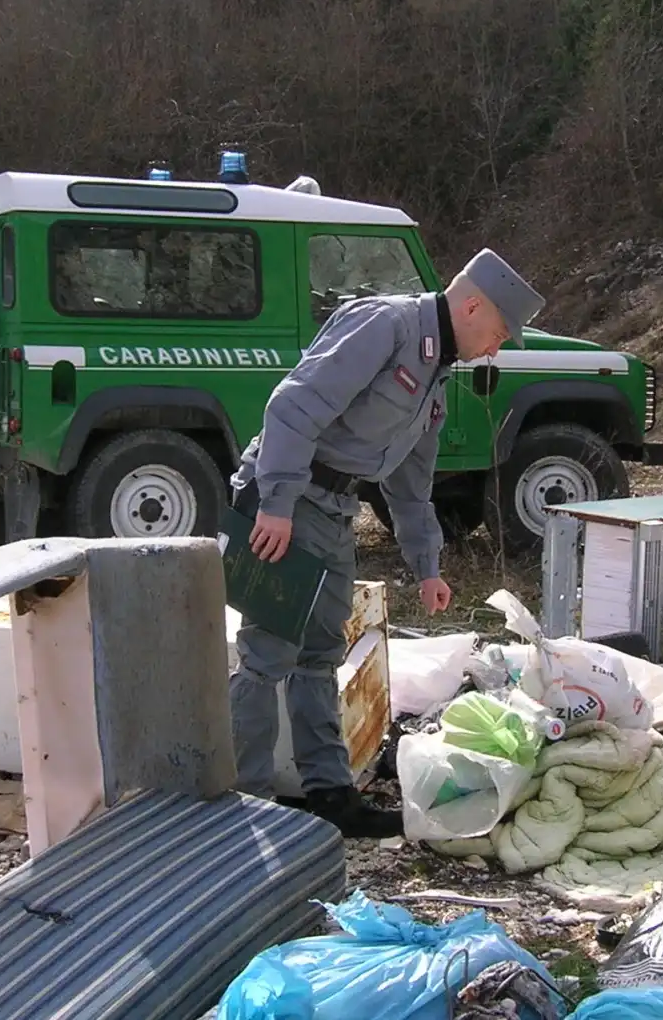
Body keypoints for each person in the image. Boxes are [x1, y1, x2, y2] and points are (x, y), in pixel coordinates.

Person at [226, 248, 547, 838]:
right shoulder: (387, 325)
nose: (496, 349)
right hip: (289, 503)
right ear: (472, 304)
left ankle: (328, 796)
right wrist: (274, 505)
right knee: (267, 655)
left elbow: (409, 484)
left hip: (336, 510)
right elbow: (294, 405)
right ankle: (244, 805)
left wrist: (427, 565)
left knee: (321, 655)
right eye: (500, 333)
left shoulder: (435, 378)